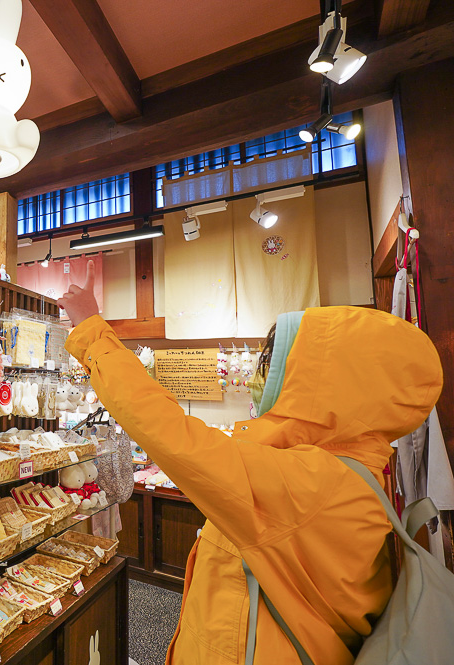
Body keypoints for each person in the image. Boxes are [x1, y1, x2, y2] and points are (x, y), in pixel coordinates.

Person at [57, 261, 442, 664]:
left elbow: (168, 430)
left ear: (328, 386)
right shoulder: (343, 470)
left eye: (284, 365)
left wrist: (92, 332)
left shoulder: (317, 484)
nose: (267, 374)